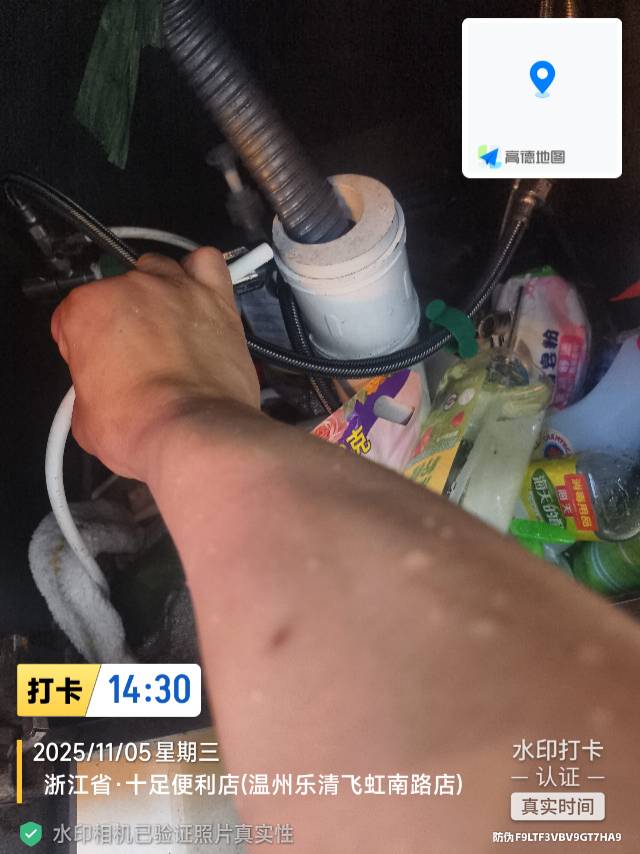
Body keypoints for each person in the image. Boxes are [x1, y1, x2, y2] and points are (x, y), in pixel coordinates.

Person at [51, 248, 640, 852]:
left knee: (111, 699)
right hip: (140, 723)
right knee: (73, 693)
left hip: (144, 747)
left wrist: (177, 406)